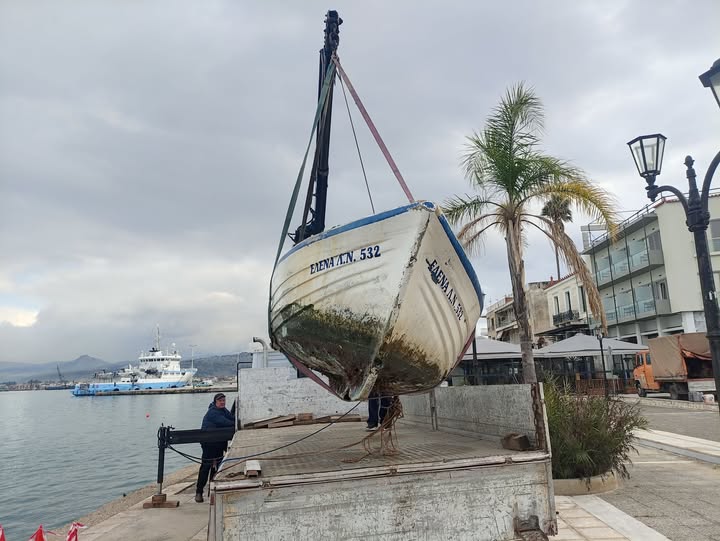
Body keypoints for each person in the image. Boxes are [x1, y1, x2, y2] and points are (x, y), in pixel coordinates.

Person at [195, 392, 235, 503]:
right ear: (215, 402)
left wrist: (236, 420)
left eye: (224, 400)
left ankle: (213, 491)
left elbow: (231, 418)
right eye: (220, 401)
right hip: (209, 444)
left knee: (218, 468)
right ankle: (199, 492)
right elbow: (226, 422)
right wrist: (236, 422)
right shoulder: (212, 412)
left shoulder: (224, 410)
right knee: (206, 467)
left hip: (219, 443)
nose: (222, 402)